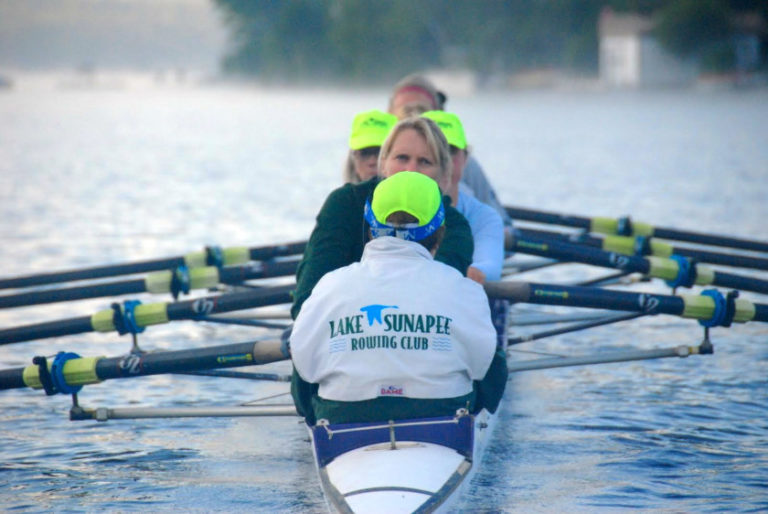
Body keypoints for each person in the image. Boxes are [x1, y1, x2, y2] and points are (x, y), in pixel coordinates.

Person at [290, 172, 508, 425]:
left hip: (343, 418)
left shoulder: (329, 286)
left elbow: (303, 372)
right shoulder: (463, 289)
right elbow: (490, 375)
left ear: (371, 229)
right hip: (441, 417)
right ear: (440, 233)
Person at [291, 116, 473, 319]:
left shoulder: (455, 225)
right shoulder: (344, 204)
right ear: (383, 164)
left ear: (443, 174)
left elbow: (444, 299)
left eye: (425, 162)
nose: (410, 170)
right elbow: (307, 302)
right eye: (402, 158)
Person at [388, 73, 513, 228]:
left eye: (421, 112)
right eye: (406, 113)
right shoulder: (372, 162)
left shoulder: (463, 163)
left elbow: (503, 225)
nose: (415, 122)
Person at [421, 110, 504, 285]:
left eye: (450, 150)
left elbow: (490, 265)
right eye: (433, 151)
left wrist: (476, 272)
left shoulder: (484, 217)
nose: (444, 160)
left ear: (466, 158)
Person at [342, 109, 398, 184]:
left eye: (380, 152)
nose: (372, 162)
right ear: (353, 159)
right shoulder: (340, 195)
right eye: (364, 153)